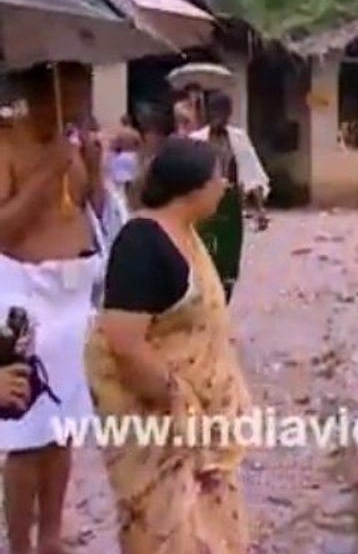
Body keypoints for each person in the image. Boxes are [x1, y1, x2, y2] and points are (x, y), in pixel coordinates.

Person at [84, 137, 252, 553]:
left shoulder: (187, 236)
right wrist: (179, 402)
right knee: (165, 529)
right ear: (194, 187)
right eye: (218, 179)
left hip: (198, 427)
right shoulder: (142, 243)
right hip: (158, 425)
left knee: (212, 529)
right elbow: (123, 342)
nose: (224, 188)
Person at [0, 63, 108, 554]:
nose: (78, 112)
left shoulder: (71, 145)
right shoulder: (6, 145)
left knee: (62, 429)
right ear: (41, 95)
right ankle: (20, 544)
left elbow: (90, 209)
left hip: (72, 300)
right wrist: (47, 173)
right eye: (72, 98)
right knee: (26, 436)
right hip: (25, 301)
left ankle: (50, 536)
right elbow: (4, 231)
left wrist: (94, 169)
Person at [191, 92, 269, 303]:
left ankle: (222, 302)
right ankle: (206, 303)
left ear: (229, 114)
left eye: (224, 112)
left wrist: (260, 210)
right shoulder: (196, 140)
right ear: (208, 113)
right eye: (215, 111)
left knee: (228, 259)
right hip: (203, 204)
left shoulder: (238, 139)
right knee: (204, 255)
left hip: (230, 205)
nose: (220, 117)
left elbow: (251, 174)